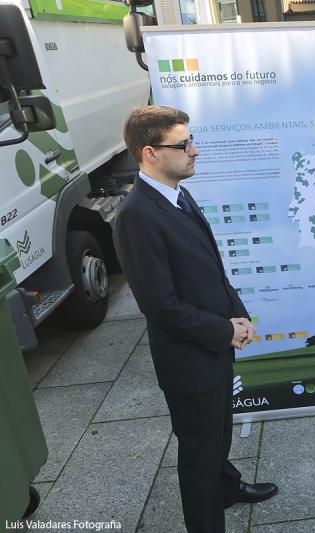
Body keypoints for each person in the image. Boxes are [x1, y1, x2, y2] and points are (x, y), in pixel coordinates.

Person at [114, 105, 278, 533]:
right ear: (150, 152)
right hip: (189, 360)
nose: (195, 150)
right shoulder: (136, 216)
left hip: (213, 346)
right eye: (183, 144)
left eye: (191, 140)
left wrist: (238, 315)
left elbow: (210, 269)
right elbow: (160, 305)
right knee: (199, 452)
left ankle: (226, 488)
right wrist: (224, 330)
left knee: (217, 435)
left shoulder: (177, 194)